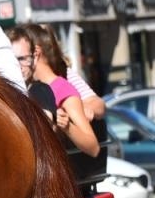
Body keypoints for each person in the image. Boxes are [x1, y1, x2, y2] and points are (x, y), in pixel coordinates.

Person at [9, 24, 100, 157]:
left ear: (36, 53)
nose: (17, 65)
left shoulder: (61, 88)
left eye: (21, 58)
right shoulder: (27, 86)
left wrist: (67, 126)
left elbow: (93, 147)